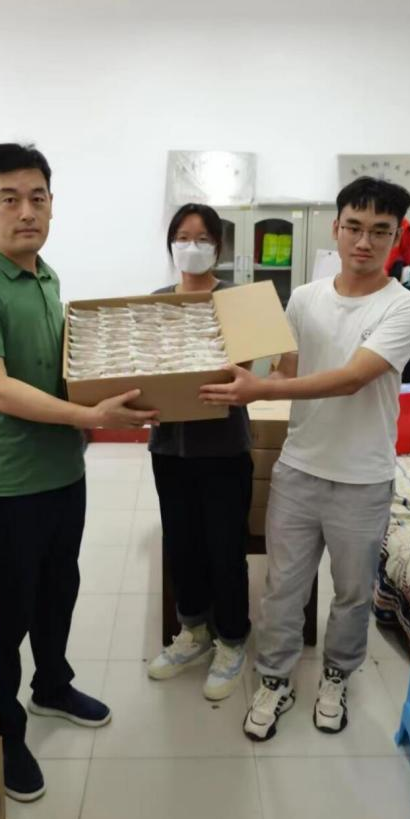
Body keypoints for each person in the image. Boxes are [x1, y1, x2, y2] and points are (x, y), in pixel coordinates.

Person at [0, 143, 157, 803]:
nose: (26, 211)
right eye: (9, 198)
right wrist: (88, 414)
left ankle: (52, 685)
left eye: (37, 197)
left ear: (52, 204)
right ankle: (3, 730)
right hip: (9, 485)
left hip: (64, 472)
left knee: (59, 589)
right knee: (7, 612)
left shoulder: (47, 276)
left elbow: (58, 366)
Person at [200, 177, 410, 740]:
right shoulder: (304, 298)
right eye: (354, 227)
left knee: (352, 592)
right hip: (299, 469)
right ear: (336, 228)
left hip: (363, 478)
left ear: (397, 237)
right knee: (283, 588)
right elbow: (288, 371)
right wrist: (242, 368)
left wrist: (262, 389)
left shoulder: (407, 308)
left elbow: (352, 379)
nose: (364, 242)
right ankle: (275, 679)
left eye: (380, 231)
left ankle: (336, 675)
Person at [145, 203, 253, 700]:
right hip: (169, 447)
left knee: (225, 548)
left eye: (203, 238)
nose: (192, 247)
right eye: (183, 237)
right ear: (171, 244)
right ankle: (193, 631)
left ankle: (231, 640)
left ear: (219, 247)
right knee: (181, 543)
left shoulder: (236, 301)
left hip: (224, 446)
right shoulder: (154, 303)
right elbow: (144, 365)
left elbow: (249, 370)